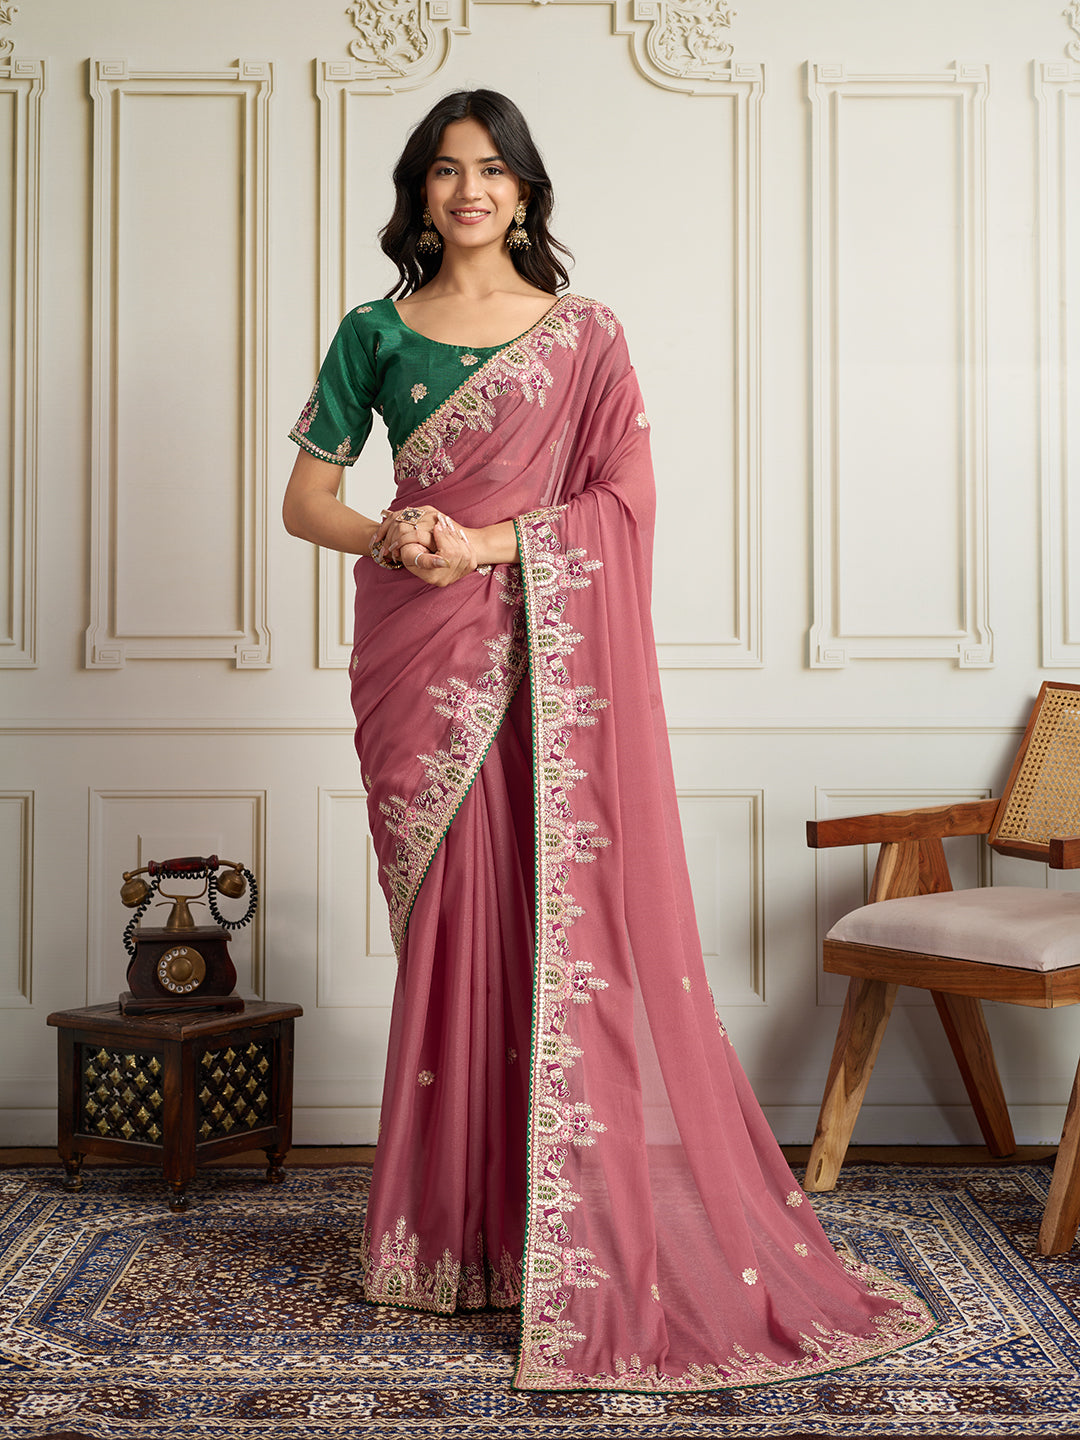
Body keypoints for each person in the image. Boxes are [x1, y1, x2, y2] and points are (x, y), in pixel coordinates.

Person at [282, 88, 935, 1392]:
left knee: (550, 924)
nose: (470, 190)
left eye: (493, 169)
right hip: (419, 657)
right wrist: (395, 537)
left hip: (541, 652)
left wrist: (485, 543)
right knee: (451, 932)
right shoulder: (373, 331)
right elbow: (309, 500)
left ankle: (556, 1236)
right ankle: (452, 1238)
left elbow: (623, 502)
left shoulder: (584, 336)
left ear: (525, 190)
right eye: (446, 171)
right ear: (419, 193)